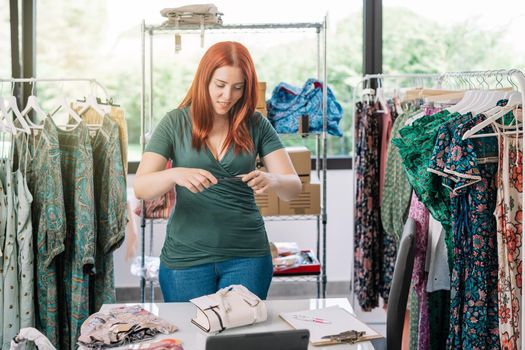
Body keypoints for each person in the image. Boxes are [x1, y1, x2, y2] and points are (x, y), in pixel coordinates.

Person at [134, 41, 302, 302]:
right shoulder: (174, 122)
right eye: (220, 85)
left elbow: (294, 188)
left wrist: (273, 179)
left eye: (238, 88)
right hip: (185, 259)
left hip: (248, 257)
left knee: (241, 341)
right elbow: (141, 187)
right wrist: (174, 174)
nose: (228, 96)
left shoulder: (257, 124)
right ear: (204, 80)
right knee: (193, 339)